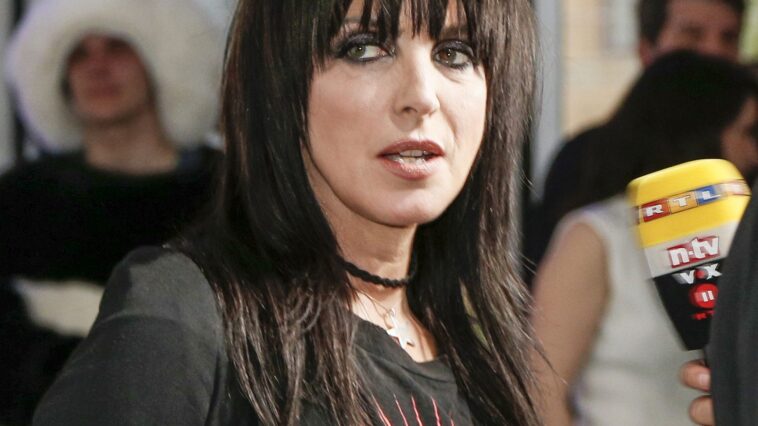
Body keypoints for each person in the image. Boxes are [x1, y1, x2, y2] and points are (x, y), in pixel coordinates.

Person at [31, 0, 542, 424]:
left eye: (454, 53)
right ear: (278, 86)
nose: (421, 97)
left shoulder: (483, 350)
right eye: (363, 48)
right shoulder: (185, 312)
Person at [0, 0, 223, 423]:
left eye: (117, 47)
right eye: (79, 53)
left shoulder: (227, 193)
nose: (97, 67)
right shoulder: (22, 197)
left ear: (161, 58)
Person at [531, 51, 758, 426]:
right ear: (699, 130)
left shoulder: (744, 235)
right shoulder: (596, 235)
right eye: (750, 133)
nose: (754, 153)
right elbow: (541, 391)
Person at [523, 0, 746, 283]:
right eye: (691, 35)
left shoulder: (747, 160)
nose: (714, 51)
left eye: (729, 38)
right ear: (645, 50)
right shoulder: (586, 158)